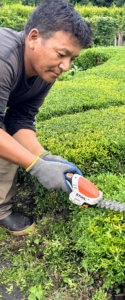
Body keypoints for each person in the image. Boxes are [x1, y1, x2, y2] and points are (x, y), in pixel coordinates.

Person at [0, 0, 92, 236]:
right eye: (62, 54)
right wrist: (37, 167)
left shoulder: (45, 71)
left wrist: (45, 157)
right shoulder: (3, 59)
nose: (65, 66)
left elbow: (19, 121)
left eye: (73, 59)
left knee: (11, 147)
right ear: (33, 38)